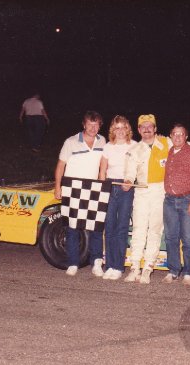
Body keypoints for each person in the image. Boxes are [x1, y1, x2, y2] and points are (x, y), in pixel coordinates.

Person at [54, 111, 106, 277]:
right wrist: (57, 186)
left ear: (100, 125)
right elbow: (61, 165)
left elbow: (104, 165)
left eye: (96, 124)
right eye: (90, 124)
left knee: (96, 227)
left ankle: (96, 262)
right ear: (84, 124)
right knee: (72, 227)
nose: (93, 128)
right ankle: (73, 263)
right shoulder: (70, 141)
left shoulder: (103, 141)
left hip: (94, 188)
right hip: (73, 188)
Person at [122, 114, 171, 284]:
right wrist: (128, 182)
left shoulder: (166, 143)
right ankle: (134, 267)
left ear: (155, 128)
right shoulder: (134, 150)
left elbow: (186, 147)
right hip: (141, 190)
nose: (147, 129)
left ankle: (148, 268)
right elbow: (129, 174)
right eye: (143, 127)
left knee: (155, 230)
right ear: (139, 130)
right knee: (139, 228)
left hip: (160, 191)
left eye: (150, 126)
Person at [162, 123, 190, 285]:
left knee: (188, 238)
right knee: (171, 237)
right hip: (170, 200)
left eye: (181, 134)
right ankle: (173, 270)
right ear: (170, 136)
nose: (177, 137)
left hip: (187, 200)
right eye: (175, 134)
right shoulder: (170, 151)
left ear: (186, 137)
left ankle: (187, 271)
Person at [99, 115, 137, 280]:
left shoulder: (135, 145)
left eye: (123, 127)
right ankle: (109, 265)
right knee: (109, 226)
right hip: (109, 186)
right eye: (117, 128)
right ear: (112, 130)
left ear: (127, 129)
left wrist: (130, 181)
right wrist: (102, 189)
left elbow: (140, 167)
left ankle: (118, 267)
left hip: (126, 187)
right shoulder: (108, 146)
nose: (120, 131)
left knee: (122, 226)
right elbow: (102, 170)